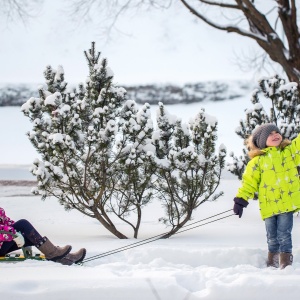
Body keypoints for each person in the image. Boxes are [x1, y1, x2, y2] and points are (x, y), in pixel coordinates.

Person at [233, 123, 300, 269]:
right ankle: (272, 262)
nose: (275, 135)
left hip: (286, 204)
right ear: (261, 141)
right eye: (270, 134)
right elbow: (249, 183)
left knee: (284, 234)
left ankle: (285, 263)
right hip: (269, 207)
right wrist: (240, 201)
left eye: (277, 132)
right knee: (272, 238)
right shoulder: (257, 162)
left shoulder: (288, 153)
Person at [0, 207, 86, 265]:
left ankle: (65, 257)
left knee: (29, 236)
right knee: (23, 223)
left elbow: (7, 223)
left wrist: (18, 232)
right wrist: (13, 234)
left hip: (3, 241)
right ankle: (54, 253)